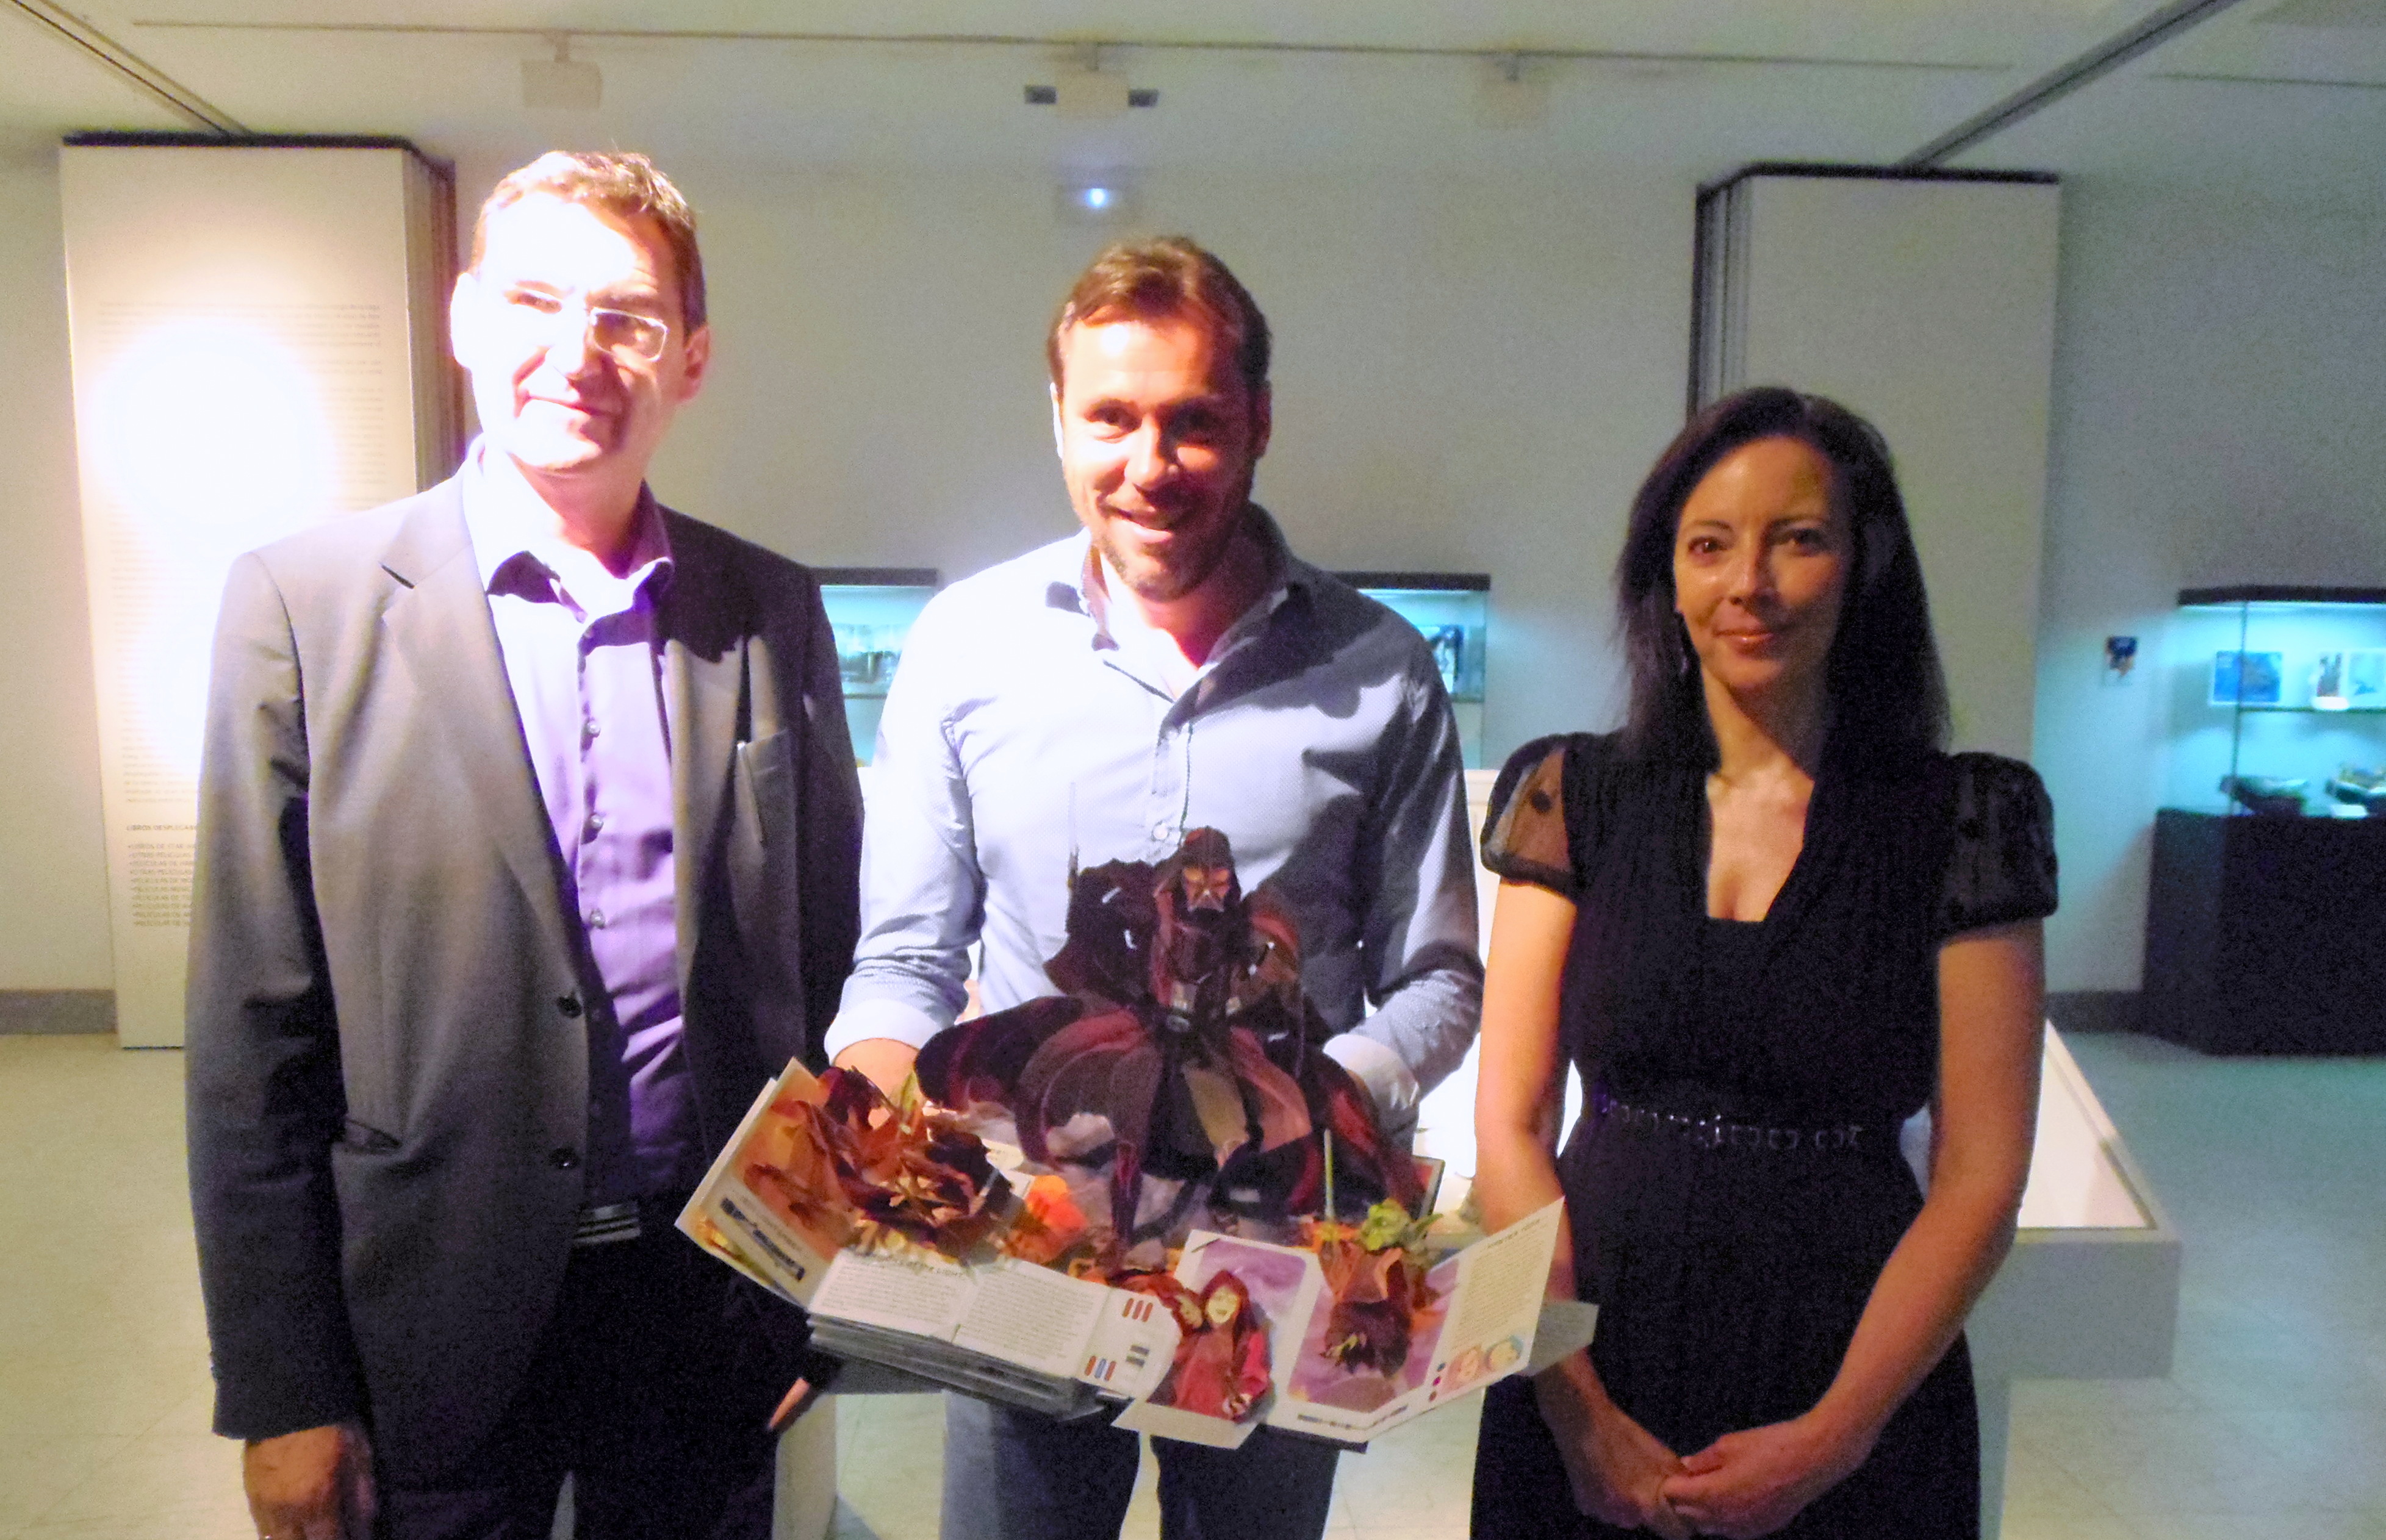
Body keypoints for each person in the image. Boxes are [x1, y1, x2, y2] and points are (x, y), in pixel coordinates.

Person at [185, 151, 863, 1540]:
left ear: (692, 358)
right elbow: (250, 1043)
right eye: (535, 302)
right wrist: (283, 1389)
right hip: (429, 1297)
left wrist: (823, 1288)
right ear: (465, 319)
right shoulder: (303, 609)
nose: (578, 352)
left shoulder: (768, 610)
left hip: (707, 1297)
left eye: (628, 317)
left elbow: (830, 965)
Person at [826, 236, 1482, 1540]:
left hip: (1277, 1252)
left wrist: (1314, 1106)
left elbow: (1437, 979)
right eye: (1112, 418)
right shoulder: (966, 649)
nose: (1151, 462)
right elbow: (904, 959)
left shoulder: (1383, 669)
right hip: (1032, 1236)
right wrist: (881, 1120)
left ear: (1259, 424)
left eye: (1194, 421)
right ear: (1059, 419)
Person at [1468, 387, 2055, 1539]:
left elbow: (1982, 1171)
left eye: (1799, 538)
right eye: (1710, 545)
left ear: (1864, 564)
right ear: (1666, 573)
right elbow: (1513, 1123)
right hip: (1591, 1341)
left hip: (1851, 1358)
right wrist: (1574, 1407)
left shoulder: (1964, 817)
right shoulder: (1571, 794)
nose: (1751, 583)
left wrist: (1835, 1435)